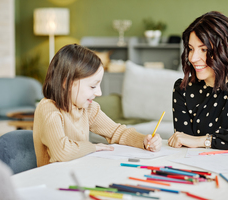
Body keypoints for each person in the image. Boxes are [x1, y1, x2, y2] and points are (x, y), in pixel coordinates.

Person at [33, 44, 162, 167]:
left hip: (79, 174)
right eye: (93, 86)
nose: (99, 92)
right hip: (54, 181)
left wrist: (144, 141)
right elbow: (62, 151)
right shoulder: (48, 108)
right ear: (67, 83)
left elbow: (117, 132)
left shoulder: (88, 108)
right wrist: (93, 147)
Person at [168, 11, 228, 150]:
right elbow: (185, 145)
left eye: (204, 50)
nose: (193, 58)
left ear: (227, 50)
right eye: (190, 49)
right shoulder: (183, 90)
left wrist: (206, 141)